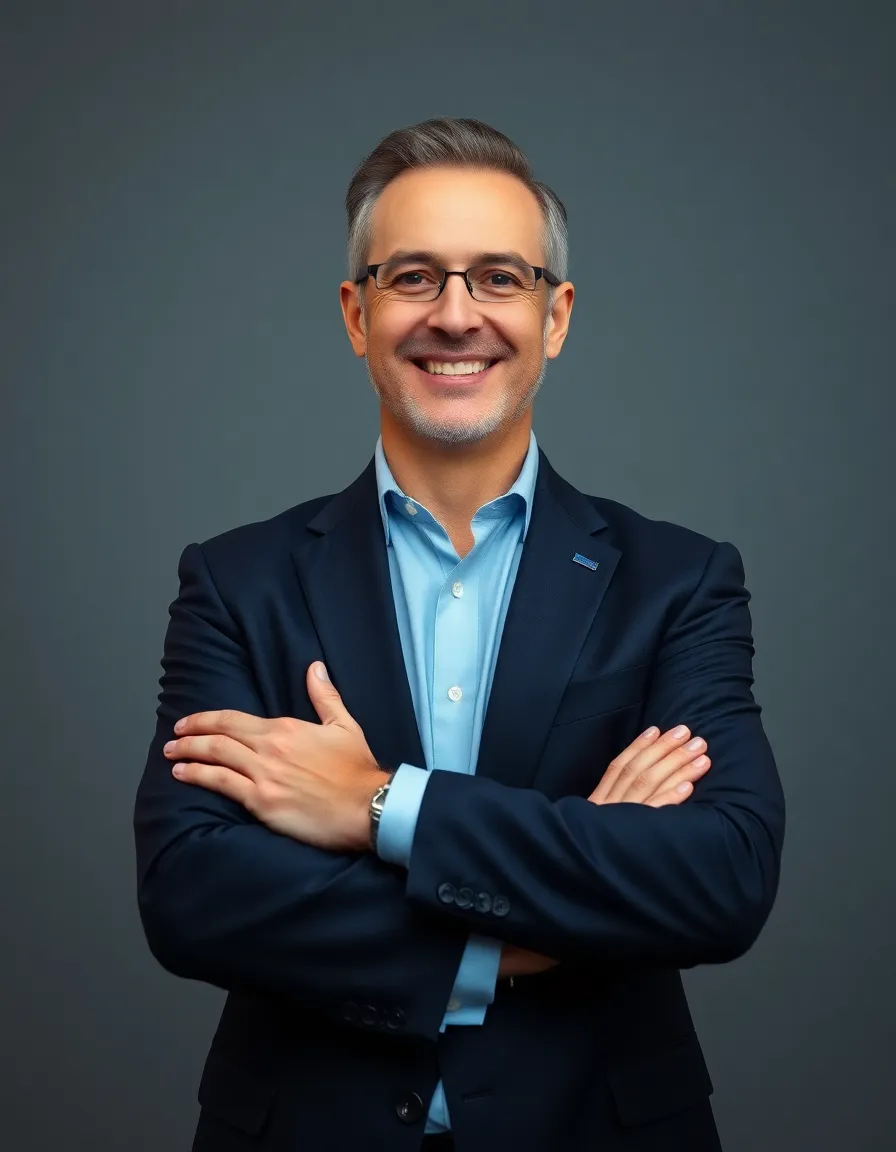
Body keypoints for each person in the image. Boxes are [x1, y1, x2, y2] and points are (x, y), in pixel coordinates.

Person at [133, 117, 785, 1152]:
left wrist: (376, 805)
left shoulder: (678, 581)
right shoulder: (237, 579)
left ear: (554, 315)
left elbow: (719, 876)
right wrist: (541, 928)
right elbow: (193, 896)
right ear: (355, 313)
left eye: (496, 278)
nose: (454, 315)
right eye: (413, 278)